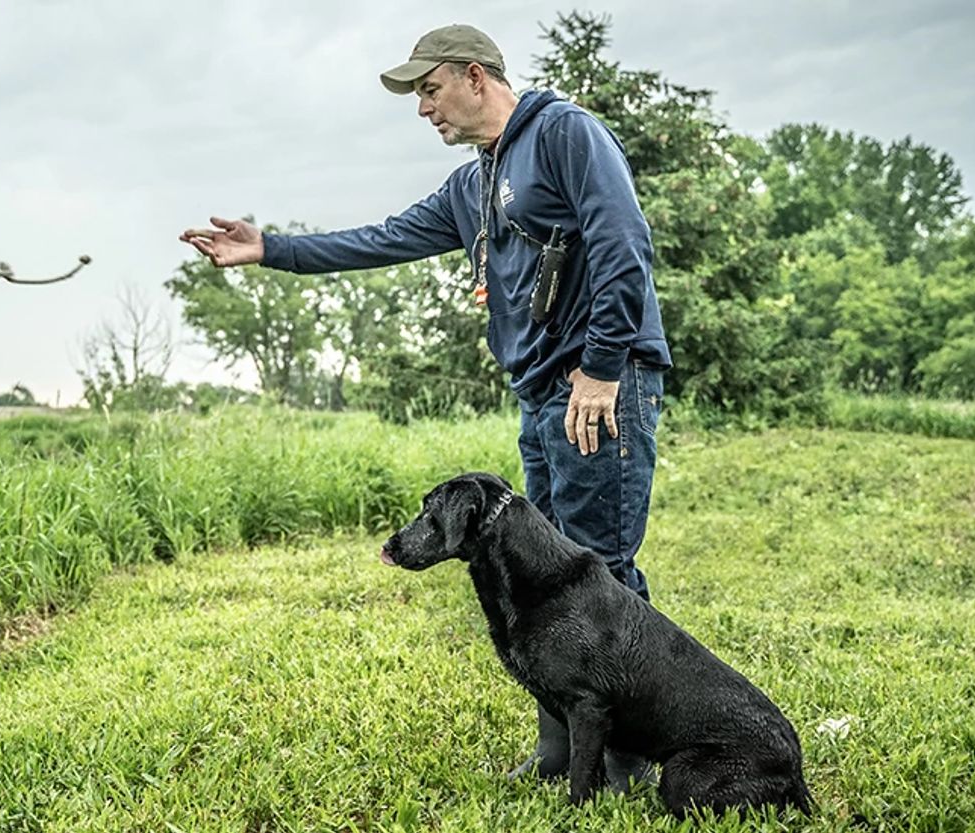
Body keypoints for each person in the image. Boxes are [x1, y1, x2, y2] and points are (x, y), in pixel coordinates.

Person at [178, 23, 670, 784]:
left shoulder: (564, 134)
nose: (422, 109)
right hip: (542, 393)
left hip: (598, 385)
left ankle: (631, 762)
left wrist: (603, 367)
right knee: (556, 576)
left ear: (475, 76)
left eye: (429, 90)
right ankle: (562, 759)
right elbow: (381, 238)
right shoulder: (471, 184)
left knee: (601, 573)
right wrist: (272, 248)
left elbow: (623, 244)